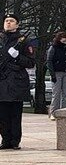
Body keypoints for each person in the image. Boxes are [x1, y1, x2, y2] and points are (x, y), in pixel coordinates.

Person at [1, 13, 35, 150]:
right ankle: (5, 140)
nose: (8, 23)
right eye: (6, 21)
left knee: (15, 114)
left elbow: (30, 62)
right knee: (2, 115)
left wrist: (17, 57)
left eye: (11, 21)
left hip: (16, 82)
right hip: (2, 81)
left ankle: (15, 141)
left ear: (17, 24)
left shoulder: (23, 41)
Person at [46, 31, 66, 120]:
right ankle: (53, 112)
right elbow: (49, 61)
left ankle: (64, 111)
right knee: (56, 93)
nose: (64, 39)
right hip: (57, 72)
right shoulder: (53, 48)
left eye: (65, 38)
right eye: (63, 38)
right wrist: (52, 74)